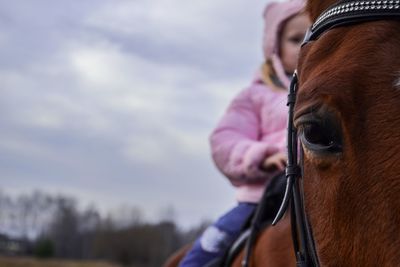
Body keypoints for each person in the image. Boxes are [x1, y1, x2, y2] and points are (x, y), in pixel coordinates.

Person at [179, 1, 310, 266]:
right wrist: (261, 156)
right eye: (296, 39)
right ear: (274, 47)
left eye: (312, 36)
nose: (306, 47)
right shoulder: (255, 96)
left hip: (318, 196)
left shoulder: (335, 93)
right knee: (204, 253)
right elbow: (224, 141)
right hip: (259, 200)